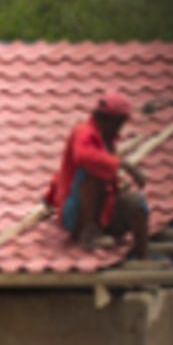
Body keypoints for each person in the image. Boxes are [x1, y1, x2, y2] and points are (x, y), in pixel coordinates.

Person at [46, 92, 150, 260]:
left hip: (104, 217)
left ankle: (141, 254)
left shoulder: (107, 139)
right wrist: (122, 164)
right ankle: (89, 233)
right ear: (108, 119)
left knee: (136, 202)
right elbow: (83, 157)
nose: (120, 128)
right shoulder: (83, 132)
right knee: (92, 172)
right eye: (119, 123)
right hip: (76, 217)